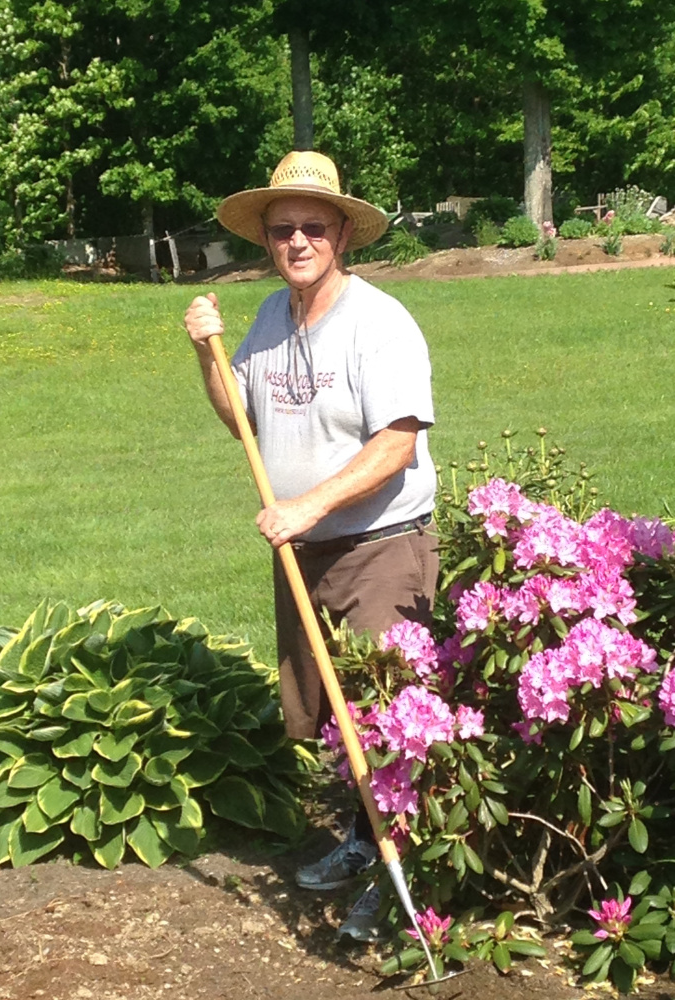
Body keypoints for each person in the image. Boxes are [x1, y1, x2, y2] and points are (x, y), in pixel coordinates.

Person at [184, 150, 438, 941]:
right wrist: (207, 354)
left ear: (343, 238)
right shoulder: (265, 318)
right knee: (331, 713)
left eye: (313, 228)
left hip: (379, 546)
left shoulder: (379, 321)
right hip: (307, 548)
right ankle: (366, 847)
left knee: (389, 721)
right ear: (266, 238)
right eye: (283, 229)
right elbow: (246, 425)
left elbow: (397, 442)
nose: (297, 242)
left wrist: (308, 505)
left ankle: (407, 882)